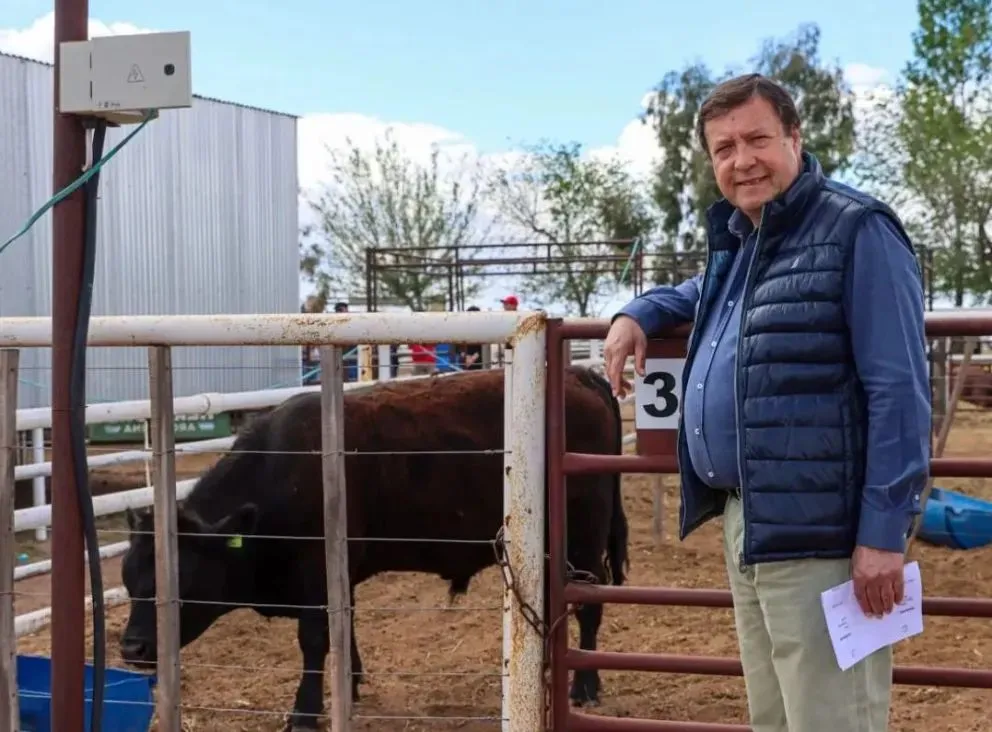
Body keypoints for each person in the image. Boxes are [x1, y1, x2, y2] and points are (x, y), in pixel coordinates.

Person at [603, 74, 930, 732]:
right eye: (724, 148)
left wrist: (882, 537)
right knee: (775, 719)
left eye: (757, 139)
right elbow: (695, 294)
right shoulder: (747, 245)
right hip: (750, 521)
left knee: (831, 719)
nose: (742, 160)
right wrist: (638, 311)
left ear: (795, 139)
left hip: (825, 533)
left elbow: (899, 391)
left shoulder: (857, 230)